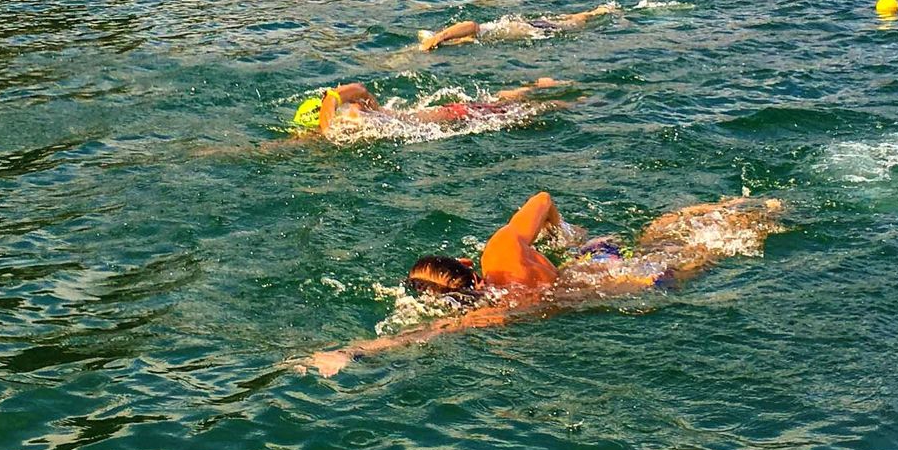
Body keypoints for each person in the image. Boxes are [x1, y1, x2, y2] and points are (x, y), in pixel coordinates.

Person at [303, 193, 786, 376]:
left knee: (713, 251)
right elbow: (543, 198)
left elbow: (425, 335)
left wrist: (350, 351)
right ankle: (759, 204)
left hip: (637, 288)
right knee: (669, 229)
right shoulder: (502, 249)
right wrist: (563, 234)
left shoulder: (493, 311)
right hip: (599, 259)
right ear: (466, 261)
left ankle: (767, 214)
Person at [294, 78, 567, 136]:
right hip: (453, 116)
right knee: (507, 107)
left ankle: (569, 98)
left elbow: (358, 89)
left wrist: (331, 100)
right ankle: (528, 88)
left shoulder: (359, 113)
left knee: (533, 112)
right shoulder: (363, 119)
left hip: (455, 115)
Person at [417, 4, 620, 52]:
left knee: (574, 23)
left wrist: (438, 37)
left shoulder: (477, 31)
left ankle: (601, 11)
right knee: (565, 20)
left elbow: (472, 25)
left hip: (536, 30)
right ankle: (597, 11)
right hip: (528, 27)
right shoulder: (468, 39)